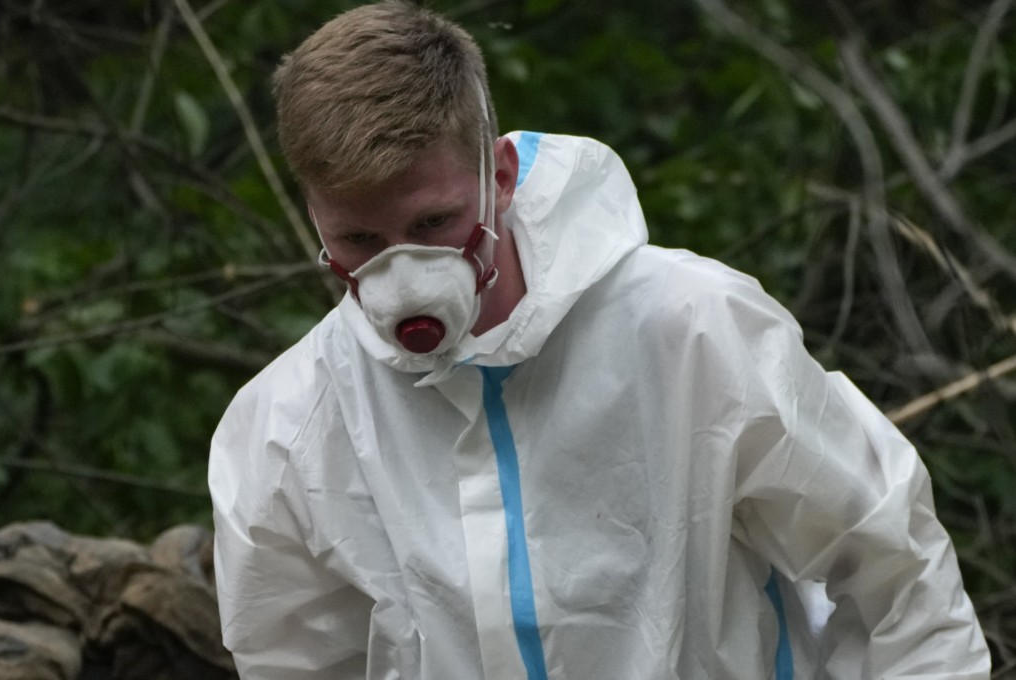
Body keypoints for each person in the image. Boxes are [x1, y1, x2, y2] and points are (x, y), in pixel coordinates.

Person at [208, 2, 991, 678]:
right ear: (312, 213)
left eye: (432, 224)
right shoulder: (284, 428)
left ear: (500, 175)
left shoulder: (692, 329)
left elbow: (894, 567)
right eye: (357, 238)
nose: (400, 273)